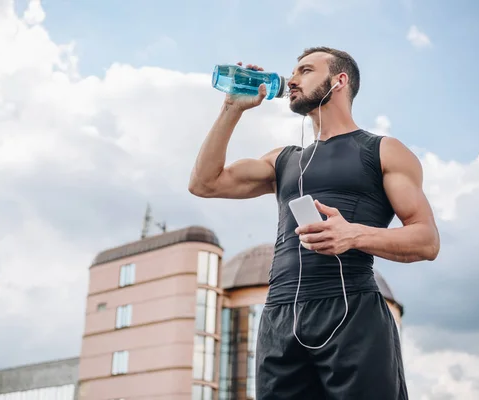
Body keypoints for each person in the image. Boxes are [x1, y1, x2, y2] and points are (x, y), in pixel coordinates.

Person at [188, 46, 440, 399]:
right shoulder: (283, 159)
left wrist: (352, 234)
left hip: (352, 312)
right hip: (279, 318)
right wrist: (231, 109)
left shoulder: (383, 150)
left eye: (305, 71)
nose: (291, 80)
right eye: (293, 72)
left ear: (339, 81)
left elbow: (427, 240)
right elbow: (204, 183)